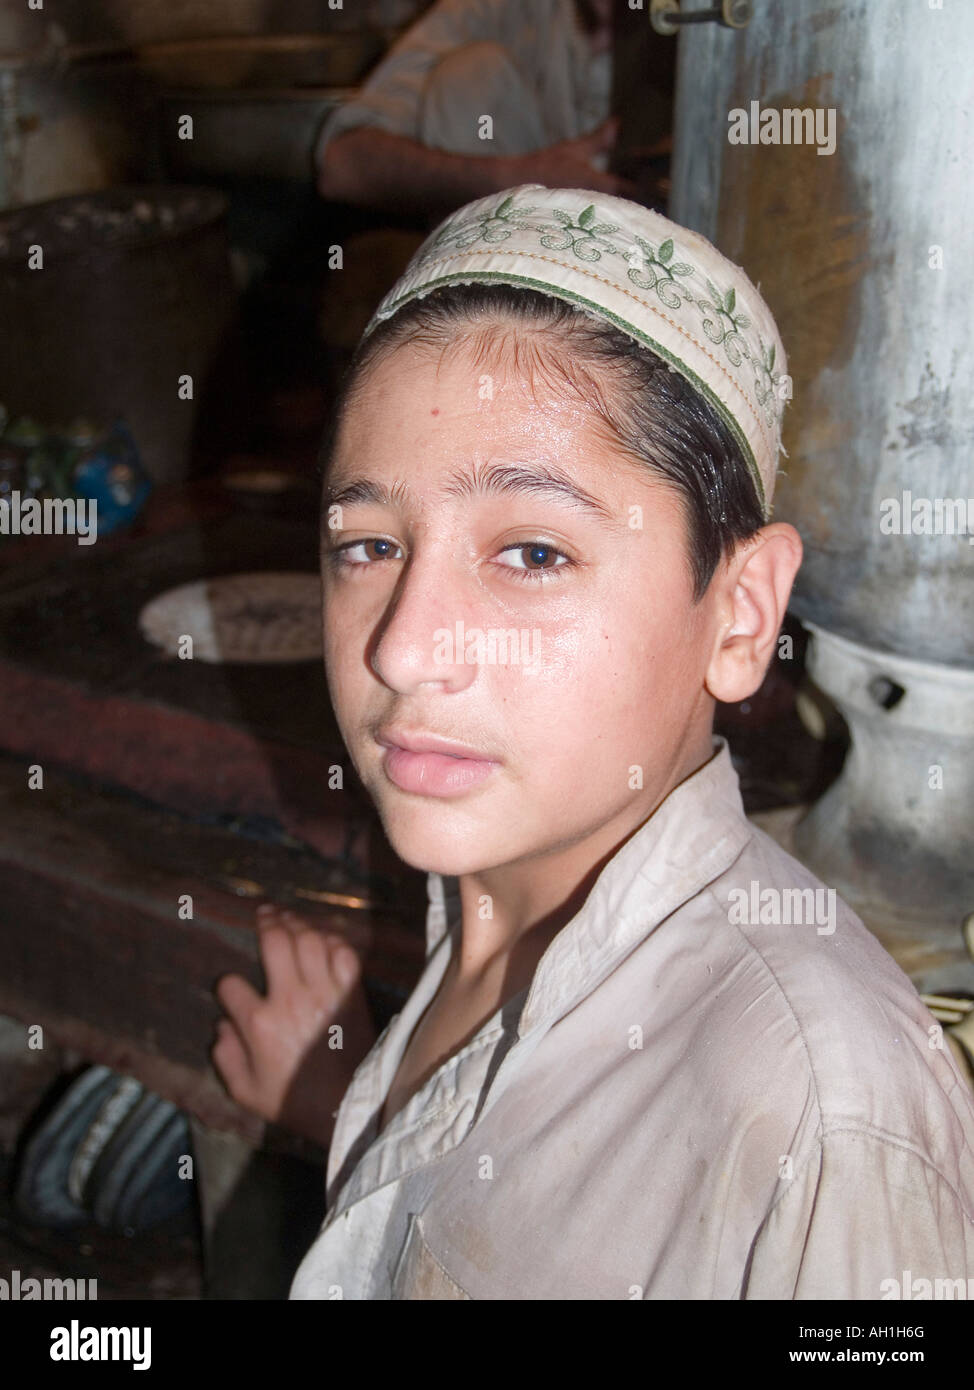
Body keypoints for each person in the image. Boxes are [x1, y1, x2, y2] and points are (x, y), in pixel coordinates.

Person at [213, 183, 974, 1298]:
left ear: (739, 613)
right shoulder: (490, 902)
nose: (404, 649)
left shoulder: (822, 1125)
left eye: (530, 553)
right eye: (368, 543)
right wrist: (354, 1120)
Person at [315, 0, 655, 219]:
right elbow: (343, 166)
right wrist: (515, 179)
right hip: (502, 276)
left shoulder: (689, 34)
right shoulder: (495, 9)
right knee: (472, 74)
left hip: (644, 278)